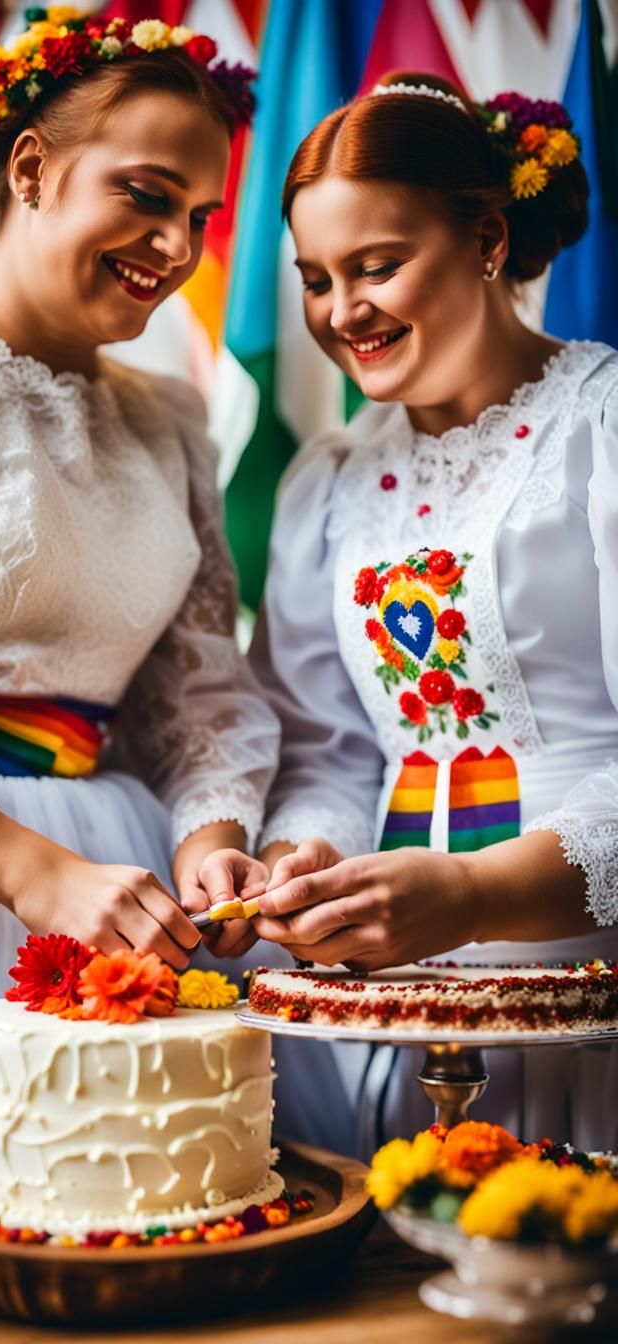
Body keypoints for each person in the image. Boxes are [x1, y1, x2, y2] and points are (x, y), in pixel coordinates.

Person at [0, 12, 278, 1217]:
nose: (176, 245)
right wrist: (35, 876)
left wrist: (206, 840)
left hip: (130, 887)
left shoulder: (171, 418)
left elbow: (199, 689)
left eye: (199, 215)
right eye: (146, 196)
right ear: (31, 169)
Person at [246, 74, 618, 1155]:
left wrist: (471, 891)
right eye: (317, 280)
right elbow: (325, 746)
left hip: (580, 968)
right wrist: (306, 859)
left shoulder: (599, 429)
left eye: (377, 266)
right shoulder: (327, 481)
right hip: (389, 1001)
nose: (340, 312)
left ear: (487, 237)